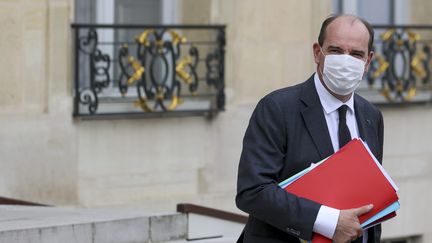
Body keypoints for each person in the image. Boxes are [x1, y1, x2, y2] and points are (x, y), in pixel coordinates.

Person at [235, 14, 384, 243]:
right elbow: (253, 191)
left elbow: (372, 197)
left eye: (356, 54)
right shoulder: (277, 108)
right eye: (335, 50)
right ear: (317, 52)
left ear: (368, 61)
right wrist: (329, 222)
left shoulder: (371, 117)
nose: (346, 60)